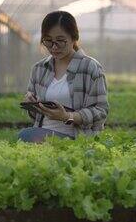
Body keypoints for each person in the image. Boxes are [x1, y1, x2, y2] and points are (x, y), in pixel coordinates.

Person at [17, 11, 109, 143]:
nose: (54, 47)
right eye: (48, 41)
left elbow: (101, 111)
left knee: (25, 135)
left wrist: (67, 116)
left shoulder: (90, 67)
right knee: (26, 136)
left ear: (74, 38)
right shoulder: (39, 69)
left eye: (60, 41)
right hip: (43, 134)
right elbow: (36, 117)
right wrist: (31, 104)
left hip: (77, 139)